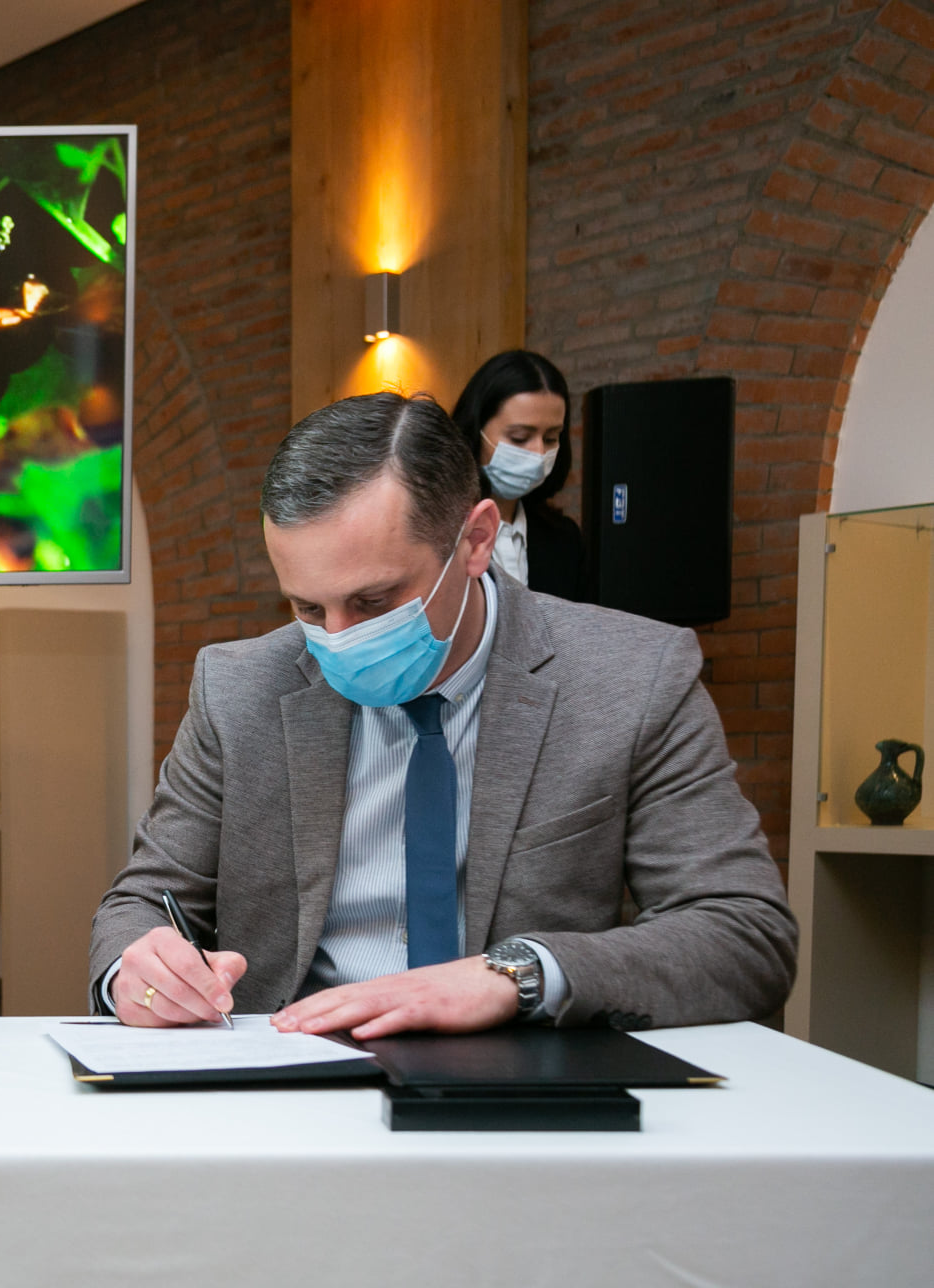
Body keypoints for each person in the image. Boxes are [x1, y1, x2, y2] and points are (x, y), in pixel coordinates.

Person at [90, 392, 795, 1038]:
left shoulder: (631, 678)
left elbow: (744, 933)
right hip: (287, 1065)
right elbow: (144, 902)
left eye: (373, 602)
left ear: (476, 539)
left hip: (522, 1074)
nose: (337, 637)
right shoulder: (237, 688)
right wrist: (137, 969)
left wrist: (515, 975)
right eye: (307, 607)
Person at [450, 349, 587, 601]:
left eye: (550, 438)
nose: (539, 453)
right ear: (475, 431)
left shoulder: (564, 539)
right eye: (520, 438)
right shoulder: (440, 534)